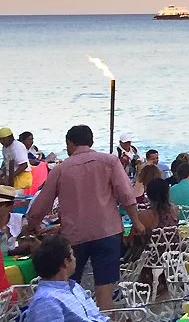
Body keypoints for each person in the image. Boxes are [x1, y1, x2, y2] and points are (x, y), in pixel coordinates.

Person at [24, 125, 144, 310]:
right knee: (105, 293)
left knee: (70, 289)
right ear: (91, 142)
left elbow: (42, 204)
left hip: (74, 237)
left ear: (70, 143)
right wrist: (136, 222)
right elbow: (126, 195)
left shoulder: (60, 169)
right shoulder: (110, 161)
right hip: (108, 232)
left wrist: (32, 225)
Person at [24, 235, 111, 322]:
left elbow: (97, 316)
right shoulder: (46, 301)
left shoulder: (73, 286)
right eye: (72, 255)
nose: (75, 259)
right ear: (66, 262)